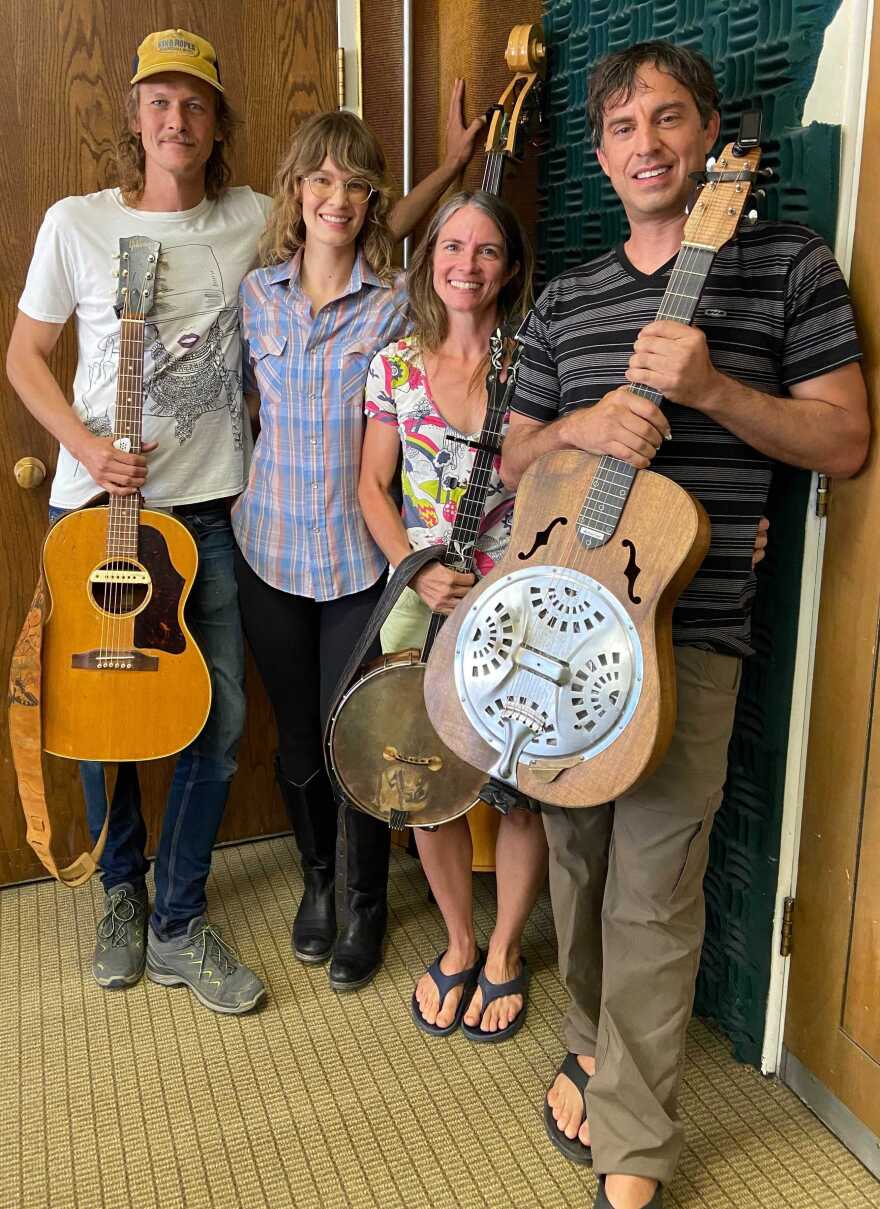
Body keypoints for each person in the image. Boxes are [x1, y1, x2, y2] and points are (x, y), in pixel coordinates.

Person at [499, 41, 869, 1209]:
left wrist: (712, 392)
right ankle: (590, 1035)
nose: (646, 143)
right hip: (559, 628)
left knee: (654, 886)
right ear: (600, 154)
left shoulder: (788, 269)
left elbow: (846, 443)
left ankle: (635, 1151)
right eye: (621, 127)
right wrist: (581, 428)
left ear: (710, 136)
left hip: (688, 636)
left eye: (668, 119)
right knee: (575, 855)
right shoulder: (568, 296)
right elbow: (509, 458)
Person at [7, 28, 272, 1014]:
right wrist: (83, 444)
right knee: (98, 721)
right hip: (98, 521)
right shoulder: (75, 222)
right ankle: (120, 892)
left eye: (194, 103)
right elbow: (25, 356)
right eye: (158, 101)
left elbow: (347, 225)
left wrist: (452, 171)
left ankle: (178, 916)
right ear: (133, 116)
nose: (176, 117)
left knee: (224, 718)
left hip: (207, 516)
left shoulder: (254, 216)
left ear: (215, 125)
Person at [233, 107, 484, 993]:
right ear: (297, 192)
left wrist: (454, 169)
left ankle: (369, 902)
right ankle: (318, 881)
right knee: (298, 739)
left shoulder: (393, 310)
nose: (337, 199)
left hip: (358, 569)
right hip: (265, 551)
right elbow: (244, 412)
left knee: (365, 742)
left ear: (374, 200)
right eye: (321, 181)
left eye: (355, 184)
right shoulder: (255, 295)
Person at [358, 191, 547, 1041]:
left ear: (510, 268)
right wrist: (417, 570)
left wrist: (504, 575)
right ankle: (460, 939)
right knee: (418, 779)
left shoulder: (535, 359)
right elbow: (373, 485)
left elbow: (560, 478)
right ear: (431, 254)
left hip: (515, 596)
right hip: (420, 593)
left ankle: (506, 949)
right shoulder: (394, 364)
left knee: (518, 790)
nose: (466, 265)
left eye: (487, 251)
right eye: (452, 246)